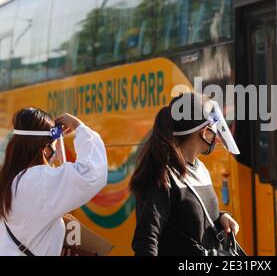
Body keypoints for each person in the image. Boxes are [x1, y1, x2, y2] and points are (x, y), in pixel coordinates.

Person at [130, 93, 240, 256]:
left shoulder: (200, 168)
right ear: (203, 132)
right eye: (212, 128)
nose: (216, 135)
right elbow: (146, 242)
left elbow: (190, 217)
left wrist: (220, 218)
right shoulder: (161, 175)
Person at [0, 108, 108, 256]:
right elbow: (91, 173)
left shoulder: (8, 180)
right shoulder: (39, 181)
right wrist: (78, 126)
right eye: (55, 145)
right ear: (45, 149)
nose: (56, 153)